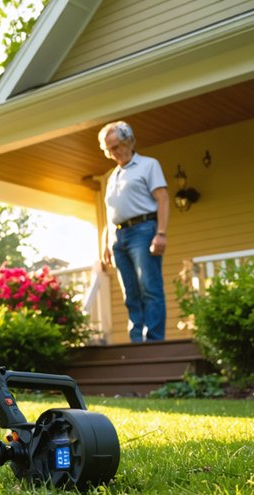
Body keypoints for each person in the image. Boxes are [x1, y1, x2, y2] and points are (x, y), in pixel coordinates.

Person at [98, 121, 169, 343]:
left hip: (144, 230)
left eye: (117, 146)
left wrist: (161, 233)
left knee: (149, 287)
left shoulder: (149, 165)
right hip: (119, 238)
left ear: (129, 141)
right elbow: (110, 213)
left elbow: (163, 199)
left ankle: (154, 340)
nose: (114, 153)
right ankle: (137, 340)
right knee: (131, 293)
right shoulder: (112, 176)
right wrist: (105, 244)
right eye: (109, 149)